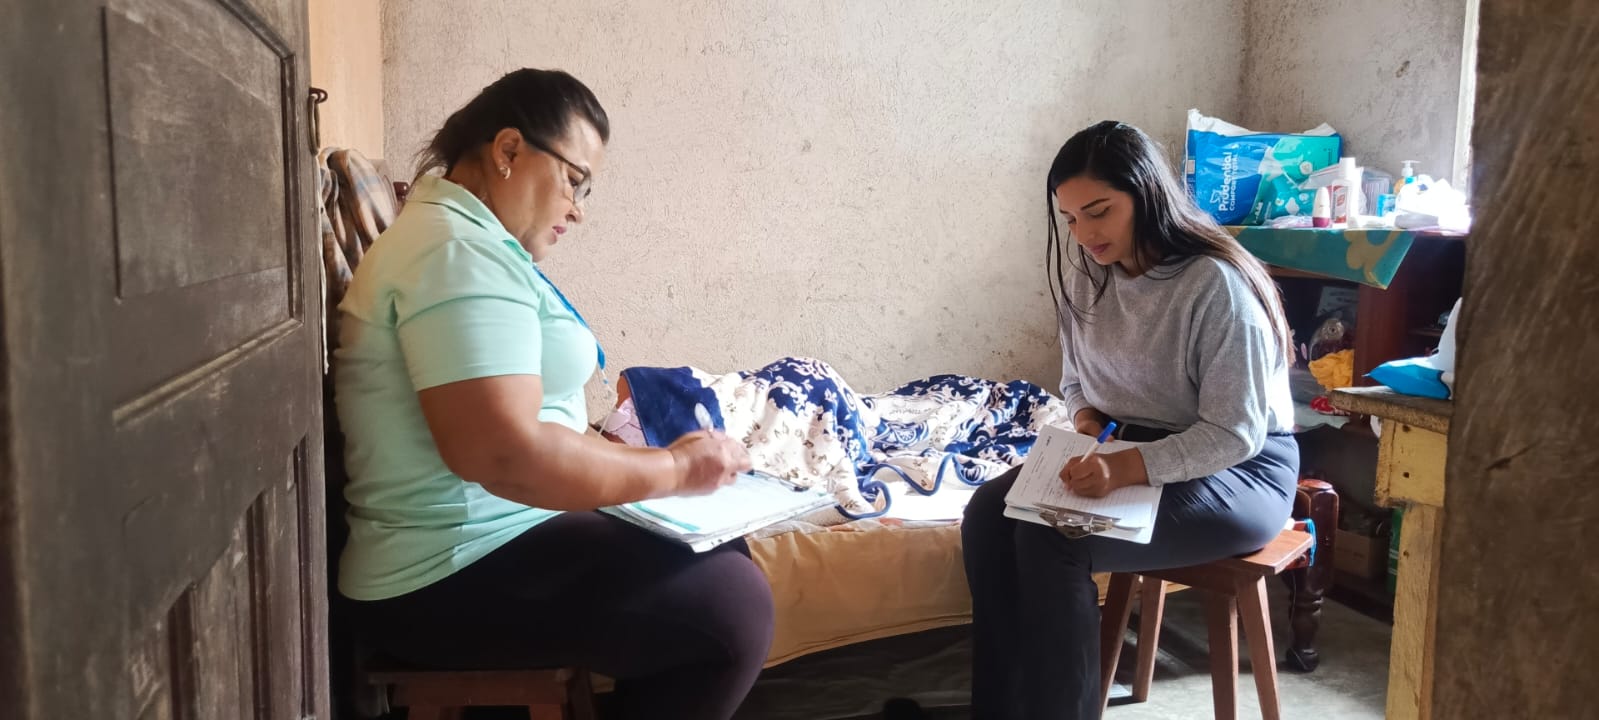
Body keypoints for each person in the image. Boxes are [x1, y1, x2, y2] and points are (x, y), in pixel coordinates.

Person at [333, 68, 774, 720]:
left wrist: (664, 471)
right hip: (438, 572)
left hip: (488, 534)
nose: (578, 208)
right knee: (731, 611)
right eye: (574, 180)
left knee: (717, 556)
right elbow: (502, 453)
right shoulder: (454, 252)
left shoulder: (473, 242)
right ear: (508, 149)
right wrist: (673, 469)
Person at [961, 121, 1300, 719]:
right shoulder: (1087, 277)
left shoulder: (1216, 287)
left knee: (1052, 537)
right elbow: (1075, 380)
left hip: (1240, 470)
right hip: (1132, 449)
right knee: (988, 514)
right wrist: (1088, 420)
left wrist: (1124, 469)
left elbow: (1234, 432)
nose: (1085, 234)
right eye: (1070, 219)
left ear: (1146, 194)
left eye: (1099, 212)